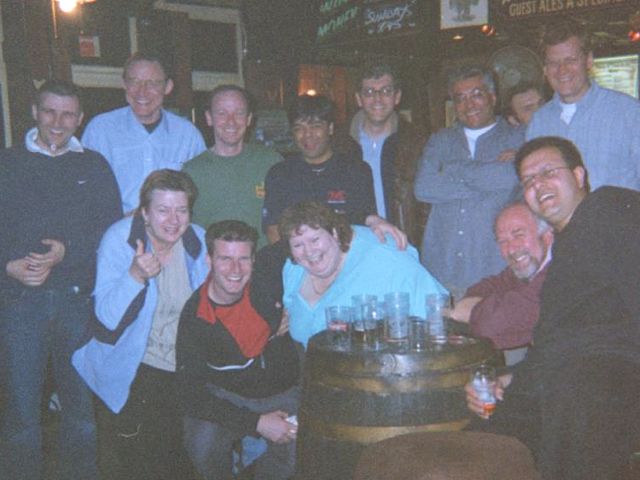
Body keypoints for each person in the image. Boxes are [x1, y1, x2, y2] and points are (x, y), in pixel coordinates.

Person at [465, 136, 640, 480]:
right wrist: (511, 378)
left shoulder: (608, 208)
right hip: (560, 384)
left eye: (548, 172)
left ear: (579, 176)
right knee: (480, 439)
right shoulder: (563, 253)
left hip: (600, 389)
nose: (537, 184)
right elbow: (559, 341)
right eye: (528, 180)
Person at [0, 79, 122, 480]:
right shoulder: (7, 163)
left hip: (77, 303)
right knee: (20, 413)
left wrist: (66, 252)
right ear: (34, 112)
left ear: (80, 118)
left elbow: (110, 232)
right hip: (18, 306)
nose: (57, 122)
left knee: (81, 412)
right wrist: (7, 266)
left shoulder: (94, 166)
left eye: (68, 114)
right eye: (50, 111)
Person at [72, 170, 209, 480]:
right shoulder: (119, 239)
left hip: (183, 365)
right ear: (144, 212)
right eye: (163, 210)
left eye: (182, 210)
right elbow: (106, 322)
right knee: (144, 460)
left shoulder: (198, 240)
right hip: (132, 365)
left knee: (183, 454)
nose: (173, 220)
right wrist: (134, 276)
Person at [176, 221, 300, 480]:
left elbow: (312, 231)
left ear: (254, 260)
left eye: (243, 259)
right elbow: (190, 394)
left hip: (283, 392)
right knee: (202, 446)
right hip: (230, 397)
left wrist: (371, 221)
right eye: (225, 259)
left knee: (301, 452)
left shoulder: (266, 277)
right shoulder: (196, 317)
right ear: (209, 260)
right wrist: (257, 423)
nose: (235, 270)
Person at [414, 64, 524, 298]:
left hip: (496, 271)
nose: (469, 105)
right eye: (460, 98)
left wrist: (452, 169)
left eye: (476, 95)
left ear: (492, 97)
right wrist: (490, 177)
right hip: (440, 270)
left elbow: (510, 176)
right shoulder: (440, 140)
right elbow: (423, 188)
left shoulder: (519, 138)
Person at [279, 201, 446, 348]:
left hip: (381, 369)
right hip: (316, 370)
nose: (309, 251)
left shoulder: (386, 259)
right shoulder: (294, 269)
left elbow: (438, 316)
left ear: (334, 233)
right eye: (298, 245)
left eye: (315, 240)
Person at [82, 51, 206, 213]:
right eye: (134, 82)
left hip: (171, 226)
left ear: (168, 87)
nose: (142, 92)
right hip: (115, 226)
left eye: (152, 83)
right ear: (124, 84)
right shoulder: (100, 130)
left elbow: (200, 194)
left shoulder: (187, 135)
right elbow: (85, 192)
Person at [526, 21, 640, 191]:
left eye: (570, 60)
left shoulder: (629, 112)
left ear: (588, 61)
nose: (562, 70)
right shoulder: (539, 122)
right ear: (545, 70)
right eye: (553, 63)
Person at [446, 203, 553, 365]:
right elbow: (489, 285)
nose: (511, 249)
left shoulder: (559, 270)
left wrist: (473, 311)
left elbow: (490, 327)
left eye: (519, 235)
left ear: (547, 235)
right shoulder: (534, 265)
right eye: (503, 241)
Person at [262, 94, 379, 243]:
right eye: (299, 128)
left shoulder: (356, 171)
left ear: (330, 128)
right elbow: (273, 231)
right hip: (296, 256)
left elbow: (366, 226)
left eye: (315, 126)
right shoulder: (280, 174)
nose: (307, 135)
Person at [184, 85, 283, 247]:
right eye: (222, 113)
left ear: (249, 119)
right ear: (209, 118)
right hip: (211, 262)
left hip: (265, 261)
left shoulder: (271, 162)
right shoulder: (191, 172)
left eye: (239, 113)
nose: (231, 121)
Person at [349, 61, 429, 247]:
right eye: (369, 92)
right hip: (356, 245)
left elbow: (427, 206)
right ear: (359, 99)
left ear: (397, 96)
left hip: (404, 244)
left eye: (386, 91)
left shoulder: (418, 143)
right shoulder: (341, 144)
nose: (377, 99)